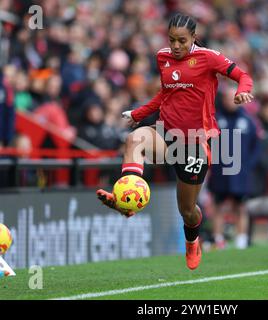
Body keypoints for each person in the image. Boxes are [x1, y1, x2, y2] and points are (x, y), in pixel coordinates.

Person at [96, 13, 253, 270]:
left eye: (182, 40)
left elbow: (243, 76)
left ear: (194, 38)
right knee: (135, 139)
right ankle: (126, 199)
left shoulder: (209, 57)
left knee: (188, 210)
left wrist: (242, 91)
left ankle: (192, 240)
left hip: (194, 143)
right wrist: (138, 114)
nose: (176, 46)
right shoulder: (162, 57)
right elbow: (165, 94)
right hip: (167, 134)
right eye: (172, 40)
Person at [207, 86, 259, 250]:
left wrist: (247, 165)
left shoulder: (248, 121)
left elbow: (256, 147)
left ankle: (241, 240)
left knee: (241, 207)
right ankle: (218, 239)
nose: (231, 101)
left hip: (240, 173)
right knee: (219, 206)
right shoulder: (215, 119)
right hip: (219, 171)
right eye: (228, 97)